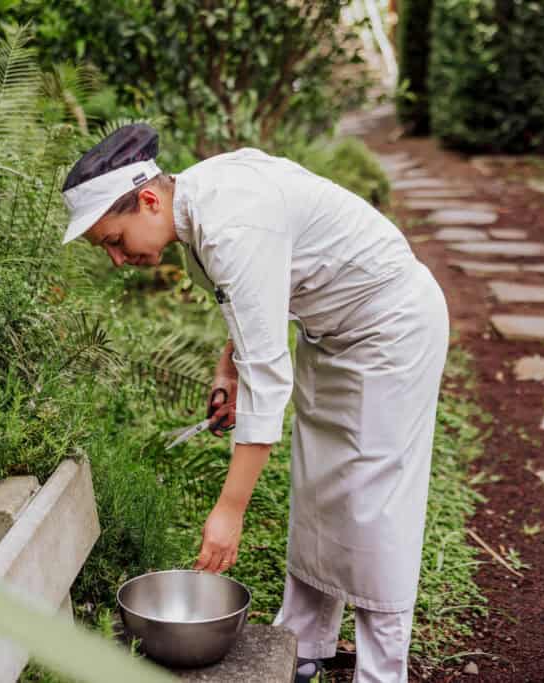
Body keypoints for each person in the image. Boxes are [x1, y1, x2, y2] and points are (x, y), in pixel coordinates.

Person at [60, 123, 448, 683]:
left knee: (376, 503)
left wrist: (230, 510)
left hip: (390, 329)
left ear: (148, 201)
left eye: (114, 241)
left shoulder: (231, 223)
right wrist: (228, 370)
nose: (118, 259)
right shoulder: (195, 208)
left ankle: (382, 672)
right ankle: (305, 643)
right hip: (330, 331)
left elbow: (268, 377)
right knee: (319, 489)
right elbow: (250, 303)